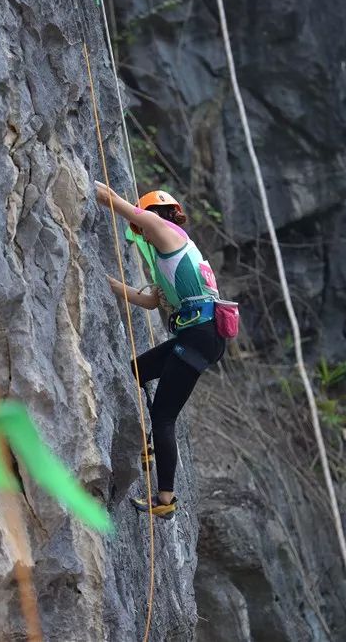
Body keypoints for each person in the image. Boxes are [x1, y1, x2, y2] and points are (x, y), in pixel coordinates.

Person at [94, 181, 225, 520]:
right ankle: (147, 444)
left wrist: (90, 184)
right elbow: (150, 301)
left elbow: (111, 200)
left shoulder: (161, 229)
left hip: (199, 335)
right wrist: (107, 283)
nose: (144, 233)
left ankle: (165, 497)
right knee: (135, 371)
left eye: (143, 225)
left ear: (152, 217)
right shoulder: (179, 250)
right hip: (199, 336)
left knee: (165, 416)